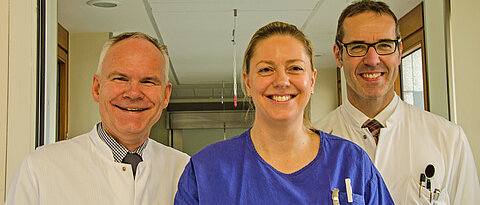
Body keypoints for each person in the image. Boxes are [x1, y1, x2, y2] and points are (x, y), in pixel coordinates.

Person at [174, 21, 393, 204]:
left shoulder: (351, 163)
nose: (281, 81)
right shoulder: (205, 171)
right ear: (248, 82)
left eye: (295, 68)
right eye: (266, 69)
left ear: (312, 80)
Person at [315, 0, 480, 204]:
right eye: (358, 47)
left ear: (399, 52)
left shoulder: (449, 139)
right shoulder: (313, 142)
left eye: (384, 45)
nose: (373, 59)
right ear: (338, 55)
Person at [5, 32, 189, 204]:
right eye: (120, 79)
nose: (133, 93)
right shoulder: (40, 168)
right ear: (97, 88)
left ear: (165, 95)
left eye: (148, 81)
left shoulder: (186, 170)